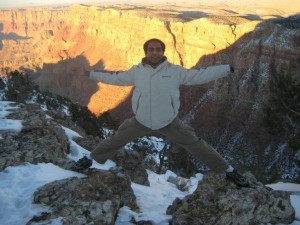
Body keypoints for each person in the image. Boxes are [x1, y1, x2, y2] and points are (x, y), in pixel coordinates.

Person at [72, 38, 249, 187]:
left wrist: (228, 68)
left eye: (158, 49)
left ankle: (229, 171)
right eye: (151, 50)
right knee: (115, 140)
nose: (154, 52)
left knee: (196, 144)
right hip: (140, 121)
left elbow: (200, 75)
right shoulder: (137, 72)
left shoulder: (174, 71)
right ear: (146, 52)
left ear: (163, 52)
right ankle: (89, 159)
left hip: (169, 122)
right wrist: (89, 74)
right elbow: (114, 77)